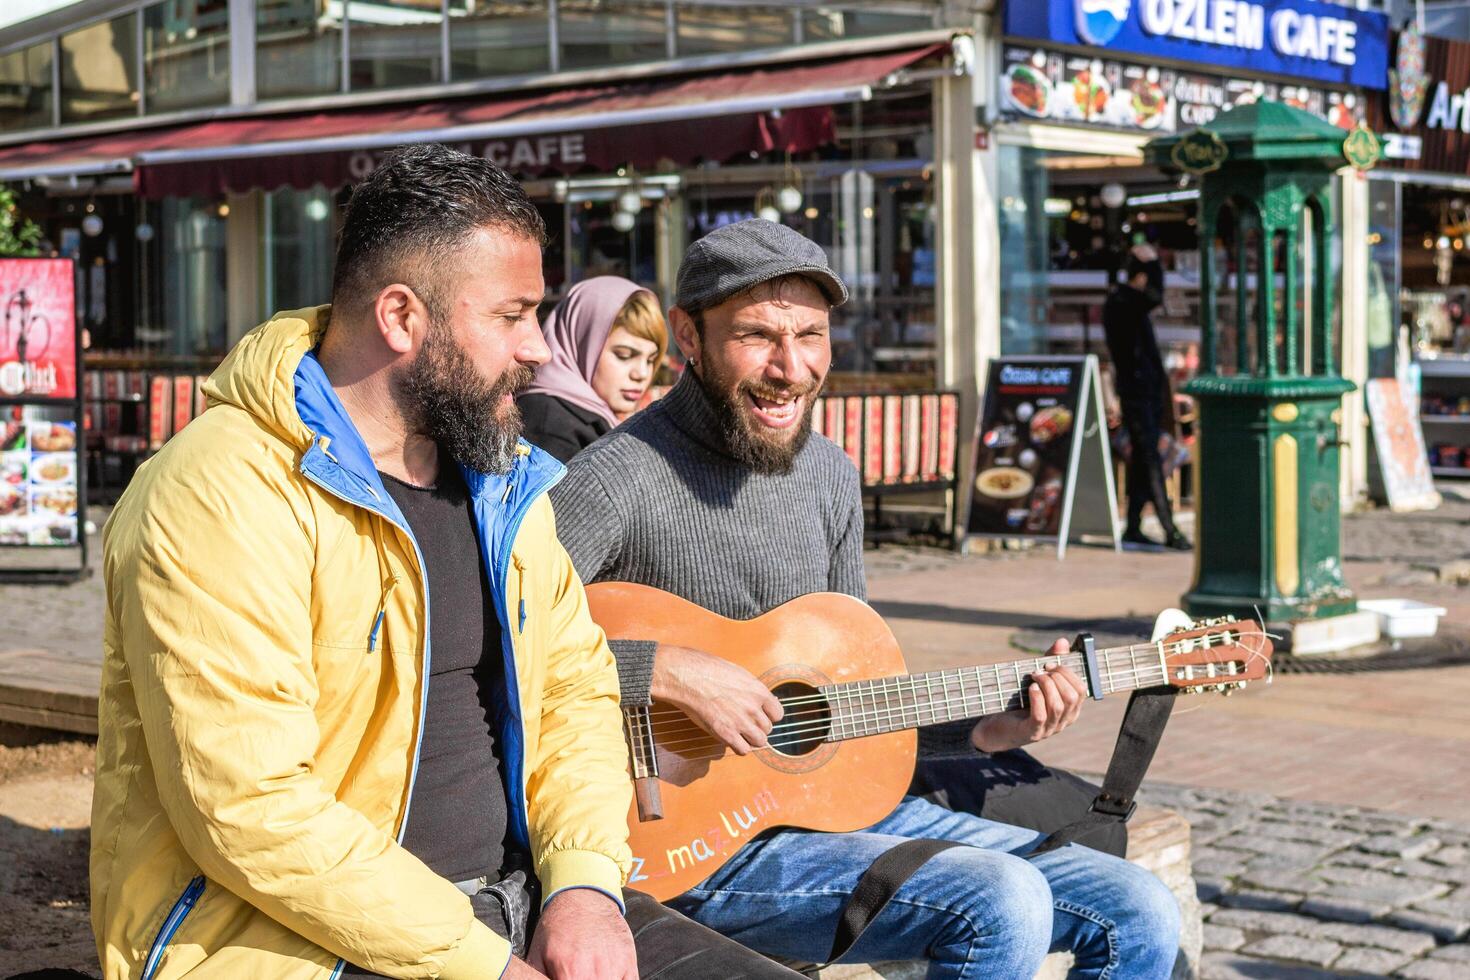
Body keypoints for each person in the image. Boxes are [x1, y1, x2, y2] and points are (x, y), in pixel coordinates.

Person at [91, 146, 802, 980]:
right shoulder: (219, 492)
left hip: (524, 901)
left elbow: (573, 694)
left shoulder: (504, 483)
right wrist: (482, 963)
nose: (538, 348)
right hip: (288, 941)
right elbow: (252, 810)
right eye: (512, 316)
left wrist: (585, 889)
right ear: (401, 317)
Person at [550, 219, 1182, 978]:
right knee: (1002, 899)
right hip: (680, 847)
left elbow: (848, 709)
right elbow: (491, 644)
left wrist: (988, 728)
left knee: (1139, 907)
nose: (791, 368)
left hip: (823, 817)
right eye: (757, 336)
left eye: (811, 336)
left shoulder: (829, 475)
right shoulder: (615, 478)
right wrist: (661, 668)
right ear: (688, 335)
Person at [518, 277, 666, 463]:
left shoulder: (589, 416)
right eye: (624, 355)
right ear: (581, 345)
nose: (641, 374)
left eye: (651, 360)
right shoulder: (550, 427)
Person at [1103, 244, 1190, 551]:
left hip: (1145, 391)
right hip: (1136, 392)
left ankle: (1134, 526)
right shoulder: (1122, 302)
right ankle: (1169, 528)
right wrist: (1154, 263)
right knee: (1150, 459)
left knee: (1143, 460)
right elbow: (1155, 296)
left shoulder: (1125, 302)